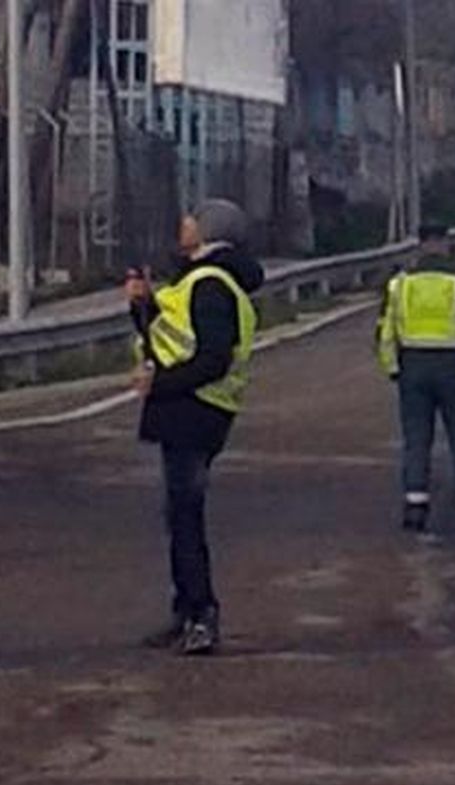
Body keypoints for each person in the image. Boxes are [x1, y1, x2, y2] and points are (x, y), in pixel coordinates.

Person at [130, 199, 265, 656]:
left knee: (186, 518)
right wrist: (143, 307)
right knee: (179, 516)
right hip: (187, 409)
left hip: (195, 410)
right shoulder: (197, 281)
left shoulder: (210, 285)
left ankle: (201, 614)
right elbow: (167, 339)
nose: (182, 222)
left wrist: (159, 383)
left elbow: (212, 358)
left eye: (191, 217)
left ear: (208, 231)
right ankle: (186, 611)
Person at [376, 221, 455, 533]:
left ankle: (415, 507)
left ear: (419, 245)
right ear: (446, 243)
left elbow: (385, 332)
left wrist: (393, 369)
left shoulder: (399, 284)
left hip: (412, 366)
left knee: (416, 439)